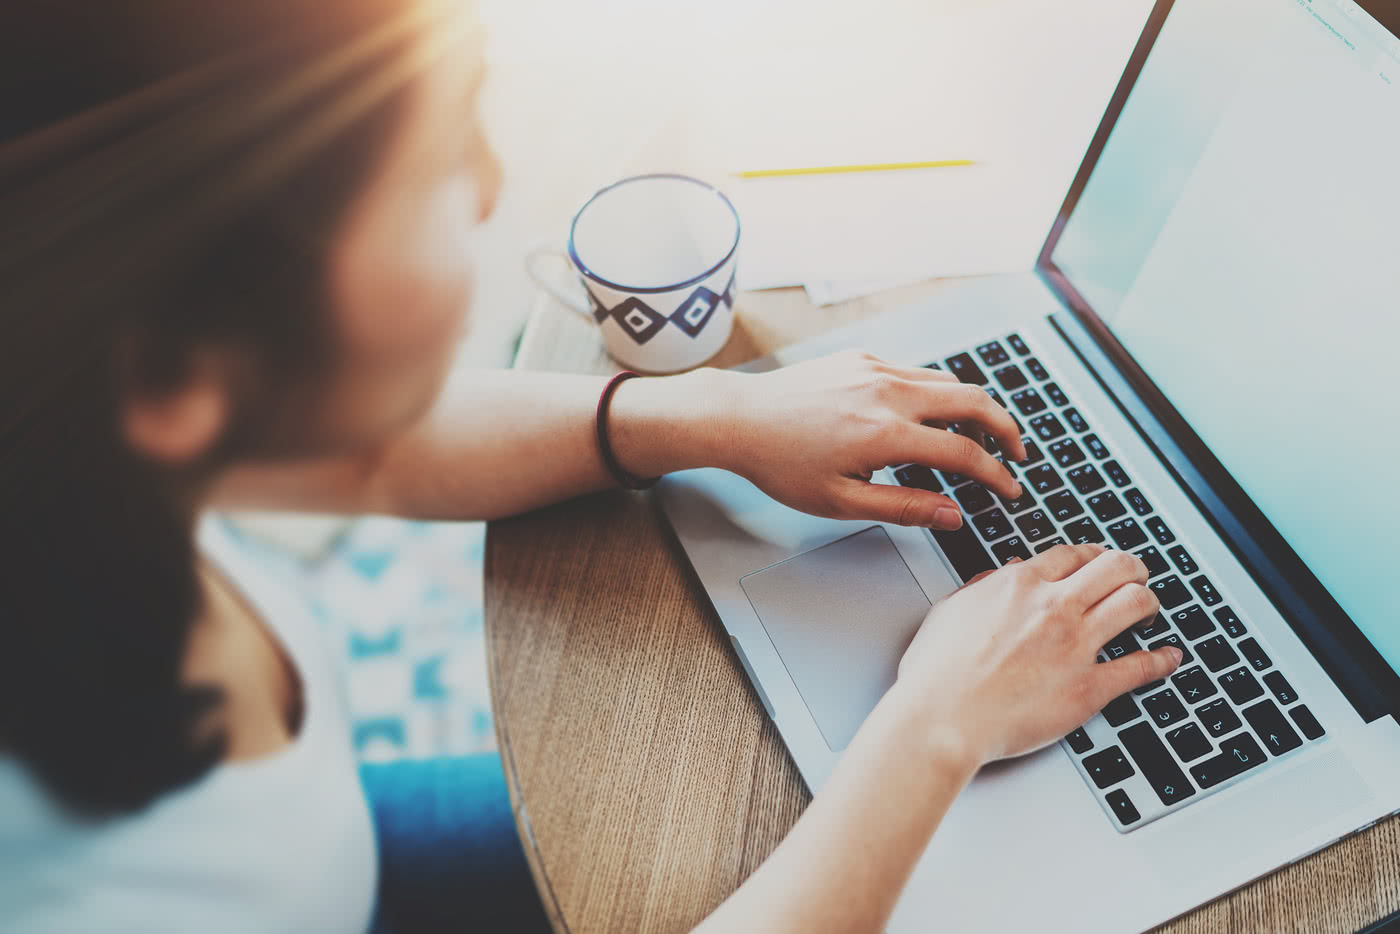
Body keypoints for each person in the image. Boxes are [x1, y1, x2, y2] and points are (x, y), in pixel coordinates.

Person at [0, 0, 1181, 931]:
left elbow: (357, 451)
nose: (489, 191)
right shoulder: (111, 885)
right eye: (427, 174)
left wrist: (708, 413)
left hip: (331, 848)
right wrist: (933, 725)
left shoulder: (66, 418)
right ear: (175, 374)